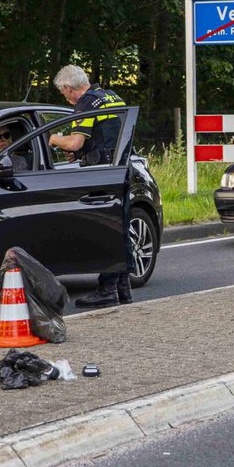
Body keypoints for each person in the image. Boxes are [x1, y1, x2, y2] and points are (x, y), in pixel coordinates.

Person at [51, 65, 134, 307]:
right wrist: (85, 152)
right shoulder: (111, 97)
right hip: (122, 169)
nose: (66, 99)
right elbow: (106, 136)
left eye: (64, 94)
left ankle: (107, 290)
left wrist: (54, 139)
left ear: (69, 88)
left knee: (105, 228)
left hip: (103, 174)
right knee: (120, 226)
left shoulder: (86, 103)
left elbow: (75, 142)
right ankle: (123, 288)